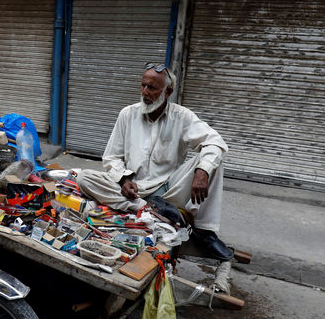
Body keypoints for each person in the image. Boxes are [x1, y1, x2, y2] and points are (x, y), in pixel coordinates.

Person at [76, 63, 234, 260]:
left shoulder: (182, 117)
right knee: (84, 177)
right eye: (143, 86)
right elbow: (111, 157)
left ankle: (204, 233)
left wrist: (202, 171)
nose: (145, 92)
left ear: (168, 92)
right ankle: (145, 208)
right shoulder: (127, 114)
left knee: (213, 159)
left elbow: (215, 141)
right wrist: (124, 180)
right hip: (135, 191)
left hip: (170, 190)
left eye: (151, 88)